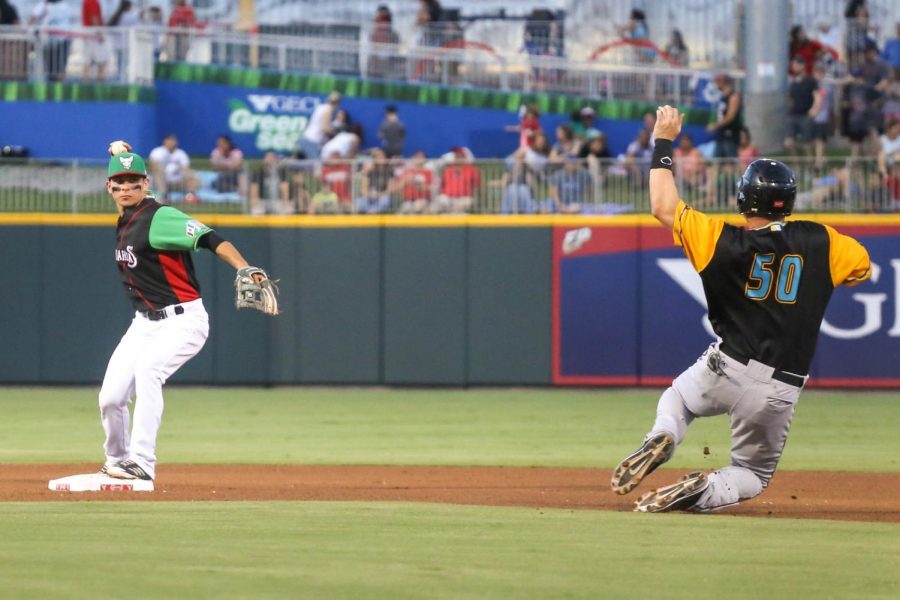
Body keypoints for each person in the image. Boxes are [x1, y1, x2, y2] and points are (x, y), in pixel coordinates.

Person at [610, 105, 871, 513]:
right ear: (789, 199)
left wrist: (663, 139)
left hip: (727, 365)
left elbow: (663, 205)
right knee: (752, 475)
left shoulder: (719, 238)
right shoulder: (824, 241)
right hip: (780, 386)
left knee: (678, 400)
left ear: (743, 198)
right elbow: (863, 268)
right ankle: (704, 488)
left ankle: (661, 437)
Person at [99, 142, 276, 482]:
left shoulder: (160, 217)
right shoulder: (126, 217)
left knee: (149, 370)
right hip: (143, 324)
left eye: (133, 181)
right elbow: (121, 167)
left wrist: (244, 266)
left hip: (182, 321)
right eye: (118, 182)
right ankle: (117, 461)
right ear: (108, 186)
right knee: (110, 398)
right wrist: (118, 152)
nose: (125, 187)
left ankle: (142, 462)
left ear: (146, 184)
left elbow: (211, 238)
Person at [29, 0, 75, 82]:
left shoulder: (64, 6)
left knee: (59, 69)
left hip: (62, 40)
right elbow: (32, 19)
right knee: (51, 69)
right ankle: (54, 87)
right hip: (48, 41)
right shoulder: (43, 5)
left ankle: (58, 87)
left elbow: (32, 19)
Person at [785, 56, 820, 157]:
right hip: (793, 115)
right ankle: (795, 167)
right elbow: (790, 98)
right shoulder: (793, 82)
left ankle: (808, 166)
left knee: (807, 144)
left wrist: (813, 110)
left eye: (796, 64)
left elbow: (817, 97)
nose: (794, 67)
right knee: (789, 143)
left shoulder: (810, 81)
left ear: (802, 65)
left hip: (805, 115)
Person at [148, 133, 198, 202]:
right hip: (162, 181)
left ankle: (190, 196)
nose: (173, 142)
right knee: (157, 174)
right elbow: (154, 167)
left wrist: (185, 173)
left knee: (193, 175)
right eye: (170, 140)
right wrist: (165, 172)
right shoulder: (157, 152)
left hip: (177, 181)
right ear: (165, 141)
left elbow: (186, 168)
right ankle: (164, 197)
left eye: (174, 140)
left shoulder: (181, 153)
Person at [435, 147, 481, 213]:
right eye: (456, 156)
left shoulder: (471, 169)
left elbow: (477, 185)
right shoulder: (448, 169)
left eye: (460, 156)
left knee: (462, 204)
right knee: (439, 200)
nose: (457, 158)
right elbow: (442, 184)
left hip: (464, 197)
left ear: (464, 158)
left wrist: (475, 195)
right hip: (448, 197)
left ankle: (455, 220)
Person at [299, 91, 340, 160]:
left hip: (306, 137)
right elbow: (324, 128)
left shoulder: (320, 107)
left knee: (310, 165)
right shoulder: (328, 109)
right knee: (316, 165)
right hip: (312, 140)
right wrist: (335, 134)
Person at [249, 150, 292, 215]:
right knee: (256, 211)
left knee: (287, 211)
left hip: (278, 201)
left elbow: (285, 189)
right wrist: (254, 205)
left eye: (272, 157)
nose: (270, 159)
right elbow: (254, 191)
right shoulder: (258, 173)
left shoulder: (281, 172)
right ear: (264, 159)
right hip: (262, 201)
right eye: (268, 157)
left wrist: (285, 205)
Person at [107, 0, 140, 81]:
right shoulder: (131, 16)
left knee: (120, 64)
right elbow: (138, 27)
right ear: (128, 6)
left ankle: (120, 78)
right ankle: (123, 79)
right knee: (124, 64)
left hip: (117, 44)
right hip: (126, 44)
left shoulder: (116, 16)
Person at [356, 148, 395, 214]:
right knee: (360, 202)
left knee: (385, 200)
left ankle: (372, 214)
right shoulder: (370, 172)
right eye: (378, 157)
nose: (381, 158)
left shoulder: (390, 171)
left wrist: (379, 195)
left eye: (382, 156)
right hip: (370, 196)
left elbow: (390, 189)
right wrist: (369, 195)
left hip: (383, 196)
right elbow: (364, 188)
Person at [82, 0, 109, 81]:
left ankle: (87, 79)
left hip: (90, 31)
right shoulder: (92, 1)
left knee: (89, 58)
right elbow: (94, 17)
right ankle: (98, 79)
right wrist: (99, 33)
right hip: (93, 32)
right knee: (101, 58)